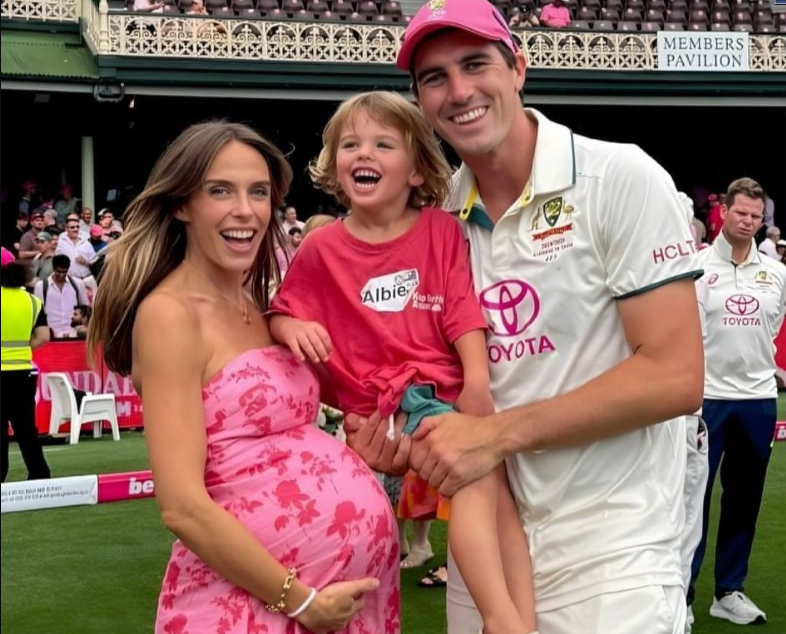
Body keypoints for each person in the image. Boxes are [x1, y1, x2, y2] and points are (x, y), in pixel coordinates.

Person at [344, 3, 706, 634]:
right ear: (421, 101)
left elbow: (674, 376)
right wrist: (409, 446)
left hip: (612, 546)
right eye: (434, 77)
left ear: (519, 68)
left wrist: (494, 435)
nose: (458, 92)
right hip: (487, 550)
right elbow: (437, 384)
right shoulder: (435, 221)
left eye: (475, 63)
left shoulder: (617, 177)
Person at [87, 121, 397, 634]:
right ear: (181, 205)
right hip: (253, 610)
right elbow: (183, 507)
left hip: (339, 601)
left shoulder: (262, 305)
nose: (245, 210)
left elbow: (275, 451)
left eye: (258, 192)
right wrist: (300, 602)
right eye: (220, 191)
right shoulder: (169, 315)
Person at [269, 91, 537, 634]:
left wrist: (478, 383)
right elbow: (280, 313)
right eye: (350, 145)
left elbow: (462, 308)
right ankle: (502, 620)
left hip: (440, 398)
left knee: (497, 497)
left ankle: (519, 618)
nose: (363, 153)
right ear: (334, 164)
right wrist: (293, 326)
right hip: (383, 406)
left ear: (417, 171)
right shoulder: (321, 249)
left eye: (382, 144)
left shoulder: (440, 230)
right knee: (477, 487)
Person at [688, 178, 785, 626]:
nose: (748, 222)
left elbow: (772, 329)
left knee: (744, 501)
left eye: (756, 216)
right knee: (692, 501)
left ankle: (728, 591)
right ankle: (681, 595)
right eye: (741, 213)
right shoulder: (697, 265)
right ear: (724, 211)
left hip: (759, 401)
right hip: (706, 399)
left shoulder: (777, 272)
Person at [1, 247, 51, 482]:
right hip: (22, 373)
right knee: (26, 428)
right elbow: (43, 337)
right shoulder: (32, 301)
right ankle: (39, 473)